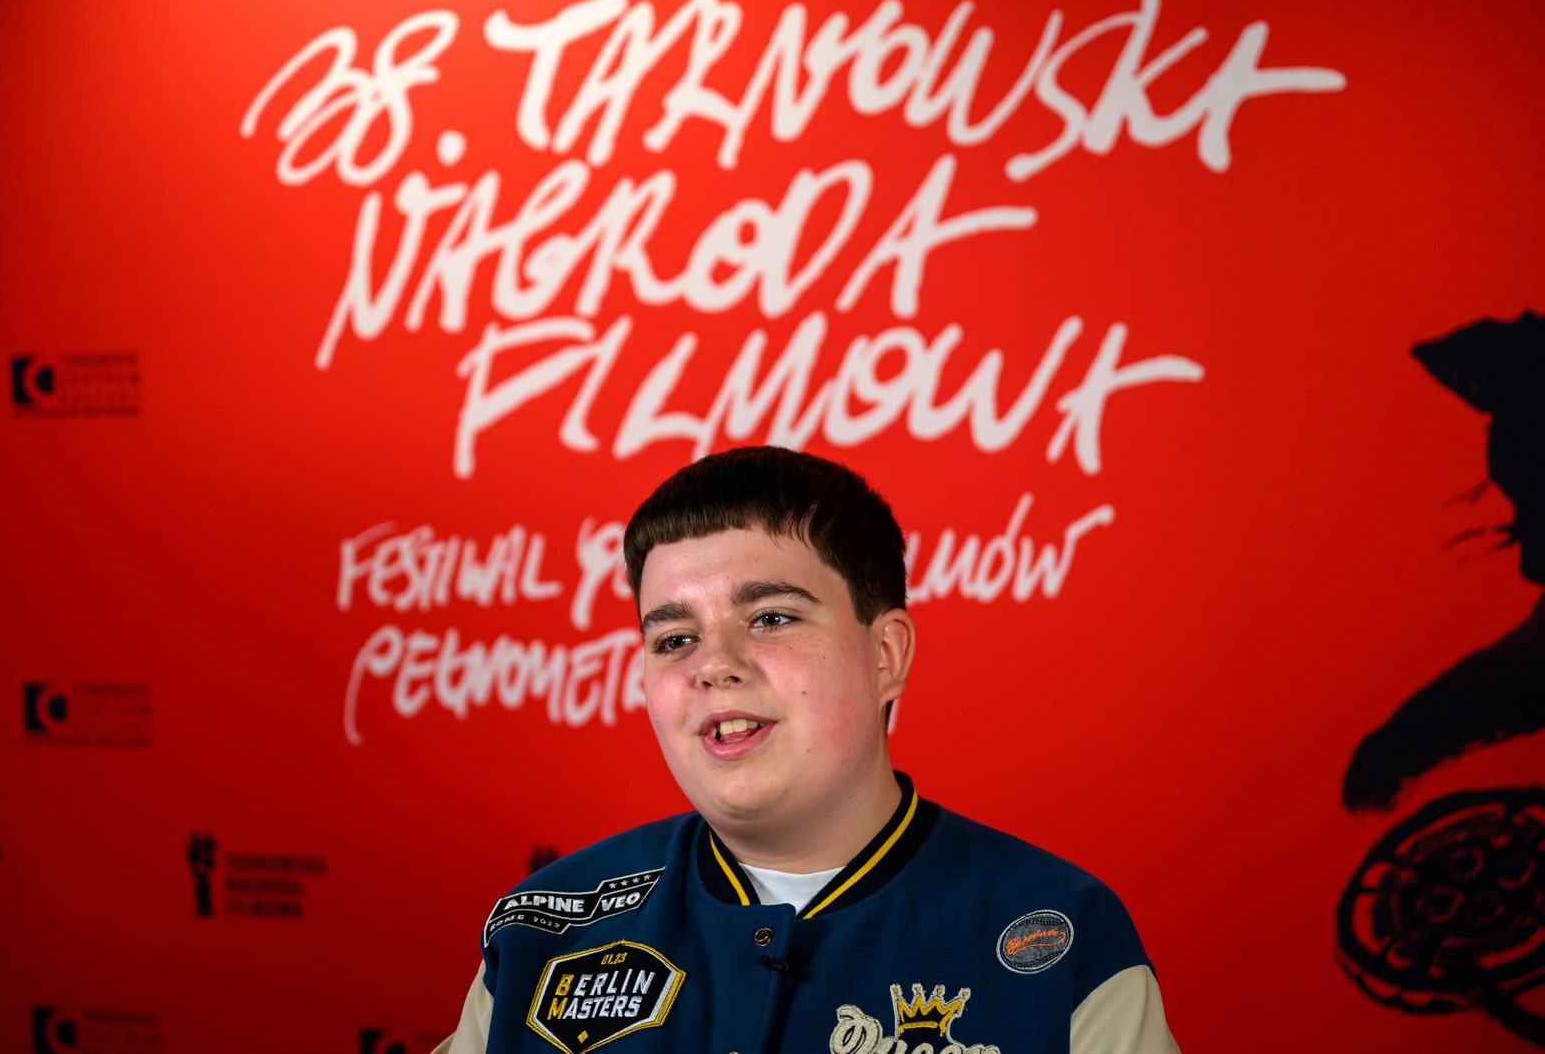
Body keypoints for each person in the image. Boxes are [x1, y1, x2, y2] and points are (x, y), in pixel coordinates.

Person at [436, 447, 1178, 1053]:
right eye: (675, 637)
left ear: (885, 654)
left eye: (770, 618)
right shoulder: (539, 931)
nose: (713, 664)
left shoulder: (1058, 935)